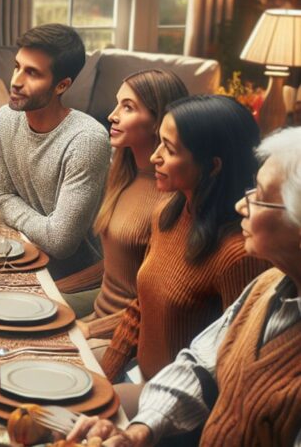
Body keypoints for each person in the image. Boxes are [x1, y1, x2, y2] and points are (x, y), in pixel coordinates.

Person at [68, 126, 301, 446]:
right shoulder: (267, 285)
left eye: (260, 197)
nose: (241, 206)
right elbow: (200, 364)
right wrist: (140, 430)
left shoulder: (240, 260)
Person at [100, 96, 271, 411]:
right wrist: (104, 377)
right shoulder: (167, 211)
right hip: (139, 376)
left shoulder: (240, 255)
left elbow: (231, 371)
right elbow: (140, 310)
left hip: (180, 408)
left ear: (213, 166)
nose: (154, 156)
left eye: (170, 149)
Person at [0, 23, 111, 316]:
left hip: (74, 278)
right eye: (17, 67)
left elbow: (61, 242)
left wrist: (12, 209)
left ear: (62, 85)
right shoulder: (6, 118)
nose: (16, 81)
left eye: (33, 73)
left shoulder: (86, 139)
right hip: (22, 258)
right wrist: (42, 224)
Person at [83, 70, 189, 348]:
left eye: (128, 107)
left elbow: (151, 306)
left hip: (125, 338)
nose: (113, 115)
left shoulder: (169, 198)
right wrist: (56, 290)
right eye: (118, 104)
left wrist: (91, 329)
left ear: (159, 121)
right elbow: (114, 265)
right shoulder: (122, 174)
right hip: (97, 316)